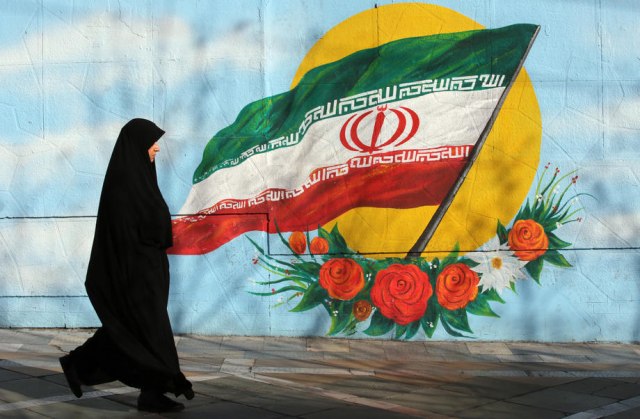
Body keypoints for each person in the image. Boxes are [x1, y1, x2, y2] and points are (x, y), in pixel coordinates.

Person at [59, 118, 193, 413]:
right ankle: (154, 387)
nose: (157, 148)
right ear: (136, 146)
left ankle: (86, 368)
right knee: (148, 334)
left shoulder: (140, 180)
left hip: (148, 274)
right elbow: (128, 236)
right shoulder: (123, 186)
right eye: (151, 142)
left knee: (136, 333)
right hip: (136, 277)